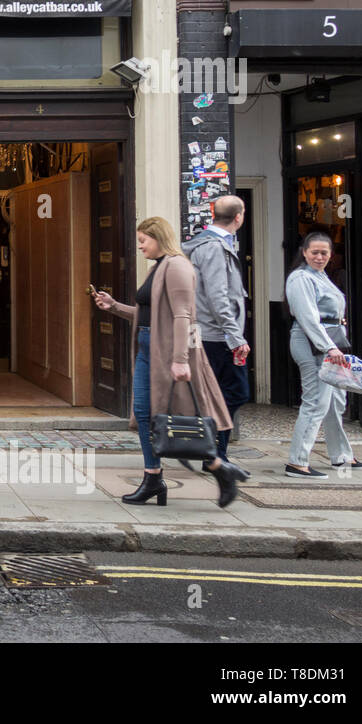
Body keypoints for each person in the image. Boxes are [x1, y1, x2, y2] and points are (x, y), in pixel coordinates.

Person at [92, 216, 243, 508]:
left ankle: (218, 468)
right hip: (149, 349)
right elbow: (150, 315)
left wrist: (179, 360)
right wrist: (114, 306)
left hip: (168, 353)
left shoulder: (177, 266)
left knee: (179, 416)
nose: (140, 246)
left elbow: (183, 315)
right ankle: (153, 477)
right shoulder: (159, 267)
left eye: (143, 241)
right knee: (145, 414)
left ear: (159, 238)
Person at [284, 232, 362, 478]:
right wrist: (328, 347)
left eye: (324, 253)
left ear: (331, 254)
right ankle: (297, 461)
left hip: (330, 344)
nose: (320, 257)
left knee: (335, 402)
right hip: (314, 345)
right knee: (316, 401)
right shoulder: (301, 277)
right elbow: (308, 317)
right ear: (304, 252)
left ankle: (341, 456)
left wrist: (333, 346)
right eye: (315, 252)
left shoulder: (320, 277)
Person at [181, 196, 252, 474]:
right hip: (216, 336)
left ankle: (213, 453)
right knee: (234, 393)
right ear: (239, 217)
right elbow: (218, 297)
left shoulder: (214, 244)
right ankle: (212, 452)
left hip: (212, 334)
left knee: (218, 394)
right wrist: (235, 337)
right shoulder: (213, 248)